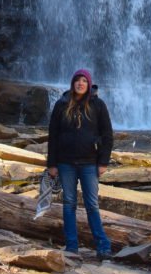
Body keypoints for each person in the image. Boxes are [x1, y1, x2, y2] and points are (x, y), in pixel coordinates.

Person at [47, 68, 114, 259]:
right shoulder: (61, 104)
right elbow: (53, 135)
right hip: (65, 163)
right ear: (73, 83)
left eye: (84, 80)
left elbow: (108, 135)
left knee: (92, 204)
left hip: (90, 163)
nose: (81, 83)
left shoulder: (98, 105)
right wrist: (52, 164)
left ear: (89, 84)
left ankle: (103, 247)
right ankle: (71, 246)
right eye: (77, 80)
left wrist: (103, 162)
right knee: (69, 204)